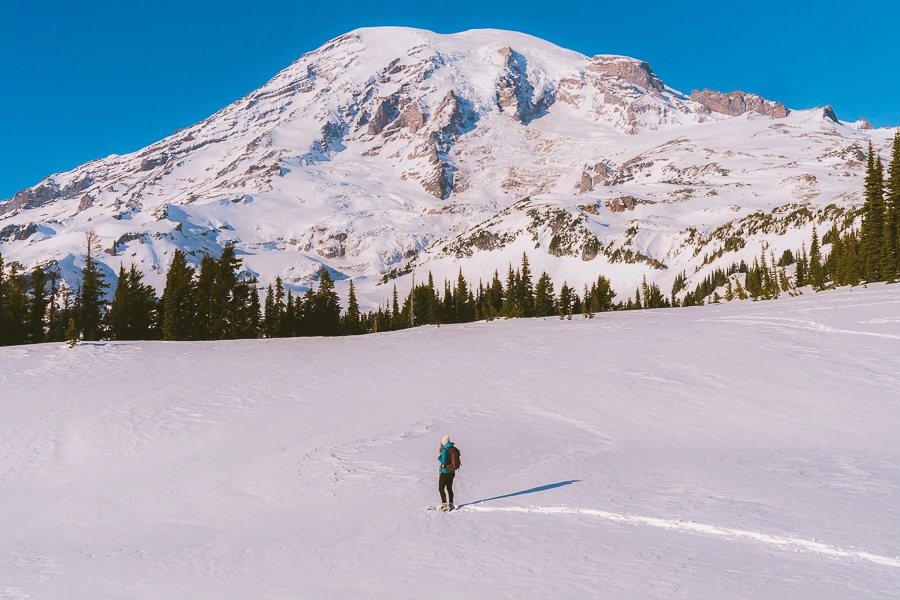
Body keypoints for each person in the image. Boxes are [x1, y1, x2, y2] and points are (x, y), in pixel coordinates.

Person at [438, 435, 457, 511]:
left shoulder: (444, 450)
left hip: (445, 472)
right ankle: (451, 503)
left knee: (441, 488)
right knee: (449, 488)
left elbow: (444, 461)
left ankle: (444, 504)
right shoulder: (453, 448)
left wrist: (439, 457)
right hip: (452, 472)